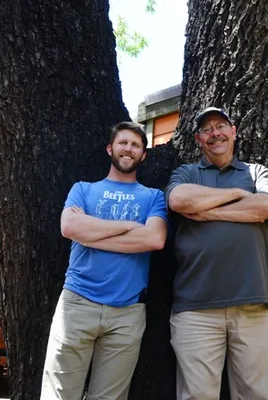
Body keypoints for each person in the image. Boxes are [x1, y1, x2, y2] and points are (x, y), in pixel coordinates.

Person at [41, 121, 169, 400]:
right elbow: (70, 228)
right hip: (77, 303)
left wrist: (92, 234)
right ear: (110, 148)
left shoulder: (154, 196)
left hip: (127, 313)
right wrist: (130, 225)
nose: (128, 148)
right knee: (58, 395)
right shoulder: (83, 189)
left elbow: (154, 239)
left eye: (136, 145)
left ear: (143, 155)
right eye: (123, 142)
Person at [166, 107, 268, 400]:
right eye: (206, 129)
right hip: (195, 308)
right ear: (198, 139)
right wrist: (240, 195)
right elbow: (179, 199)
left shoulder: (256, 172)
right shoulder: (187, 173)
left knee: (258, 395)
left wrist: (206, 210)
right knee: (197, 396)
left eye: (221, 126)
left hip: (253, 303)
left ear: (234, 131)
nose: (214, 133)